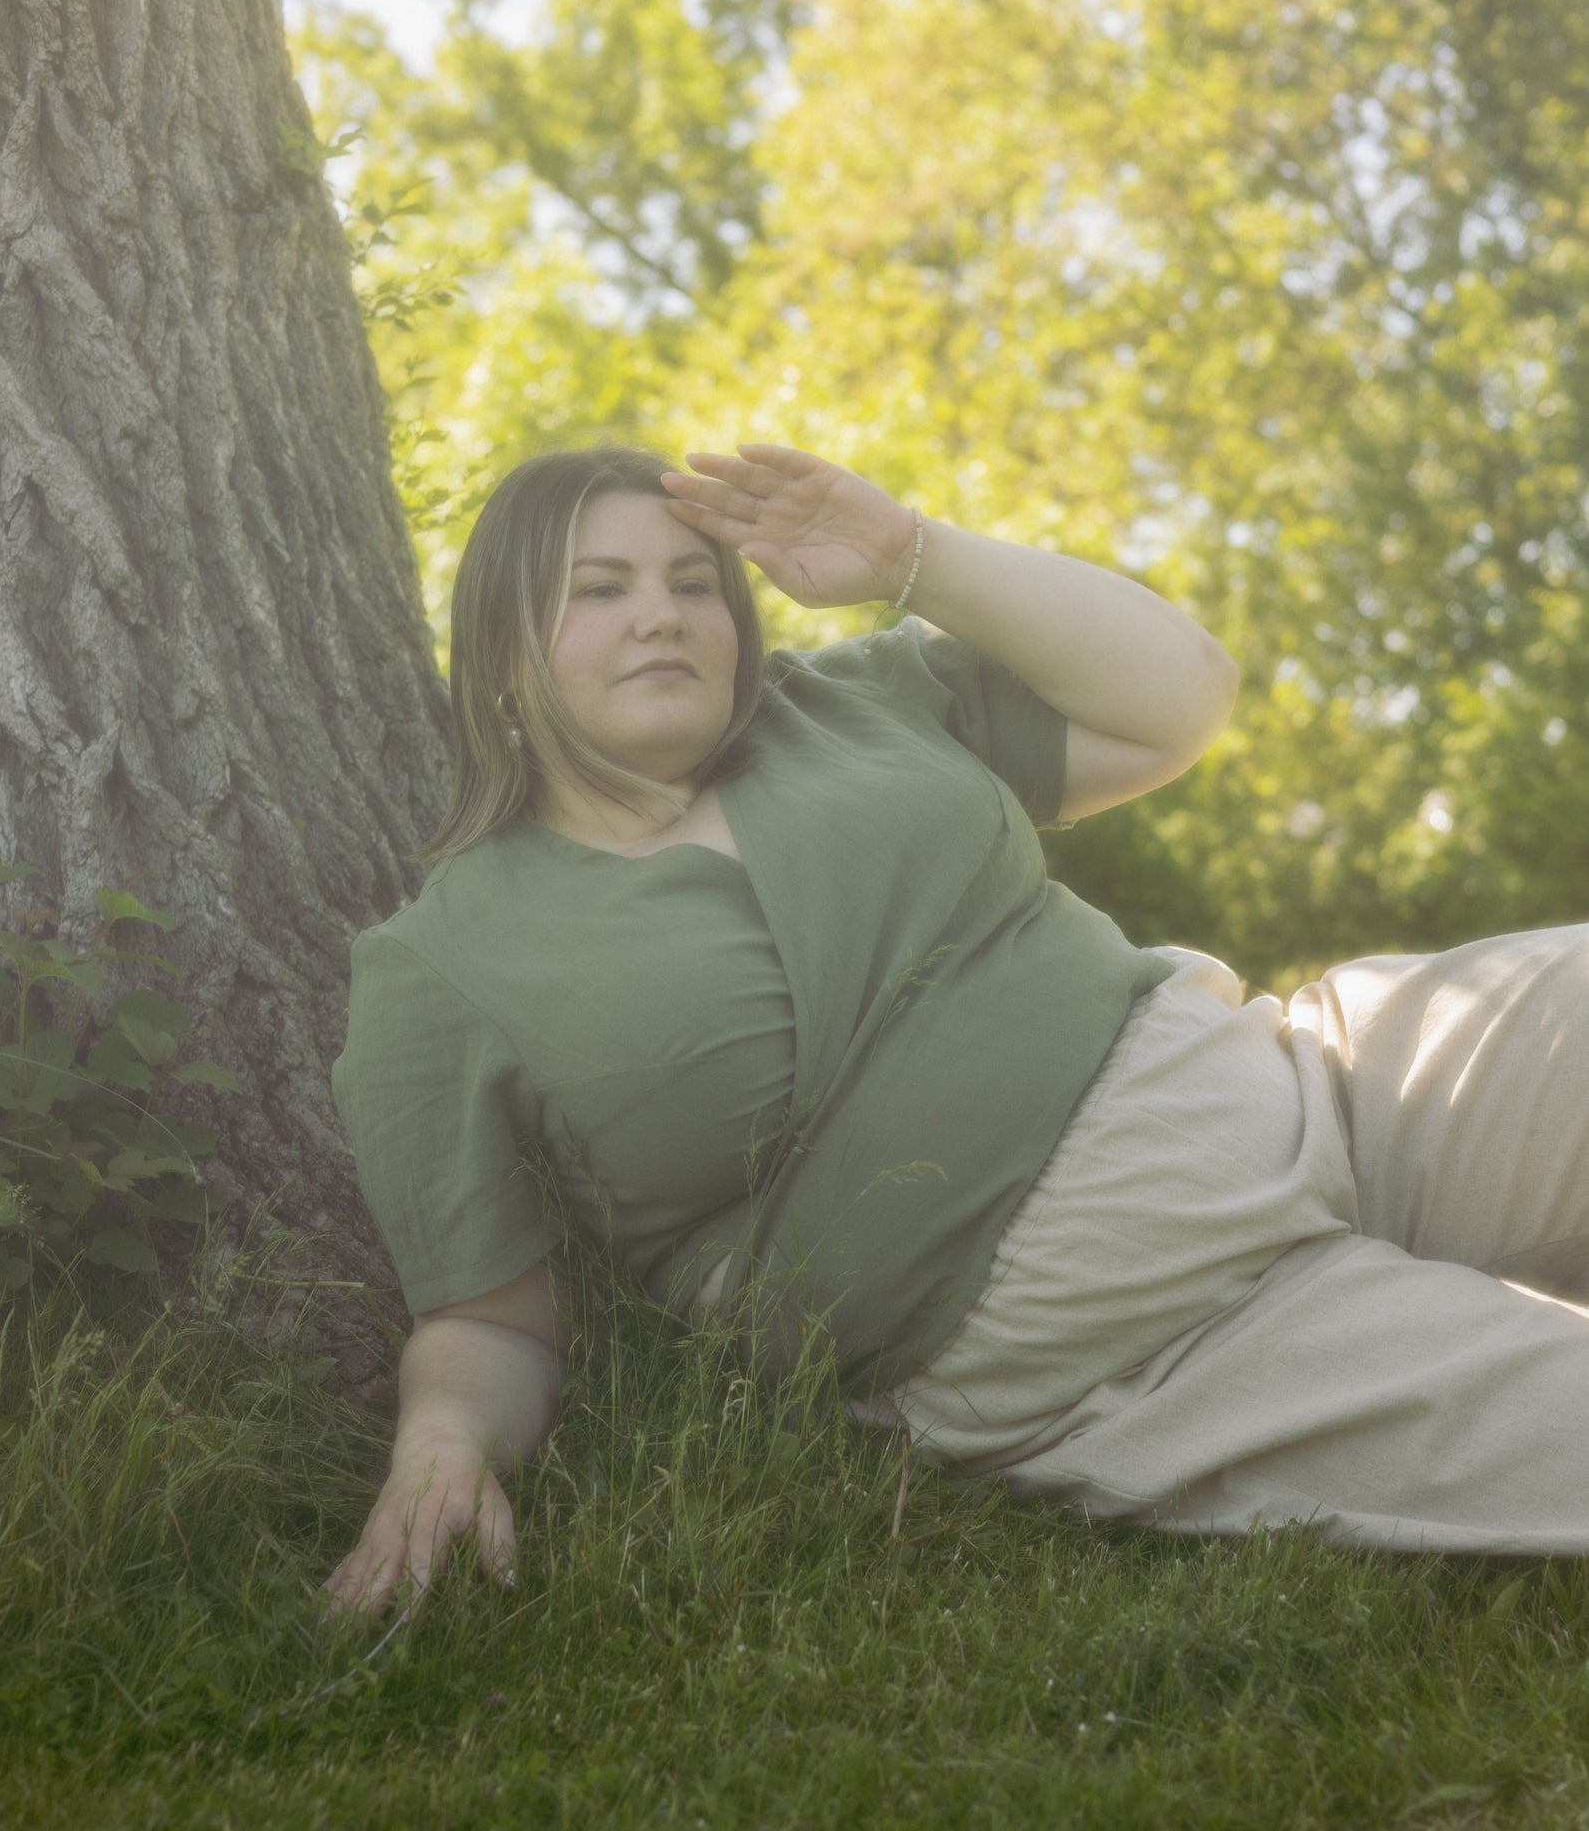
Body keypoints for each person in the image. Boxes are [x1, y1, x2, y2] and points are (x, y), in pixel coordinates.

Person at [321, 440, 1589, 1620]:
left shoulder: (842, 707)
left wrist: (910, 556)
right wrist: (439, 1446)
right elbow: (490, 1315)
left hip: (1328, 1079)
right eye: (599, 588)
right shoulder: (442, 963)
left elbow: (1180, 695)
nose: (661, 612)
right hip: (1159, 1339)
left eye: (693, 582)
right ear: (498, 650)